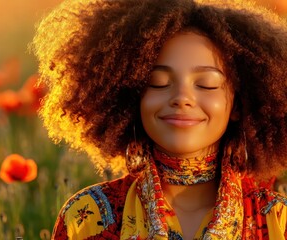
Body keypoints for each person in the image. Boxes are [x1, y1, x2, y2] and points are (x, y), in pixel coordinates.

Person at [32, 0, 287, 239]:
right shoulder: (86, 216)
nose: (181, 98)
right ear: (131, 98)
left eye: (207, 84)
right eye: (159, 83)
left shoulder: (280, 221)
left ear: (238, 105)